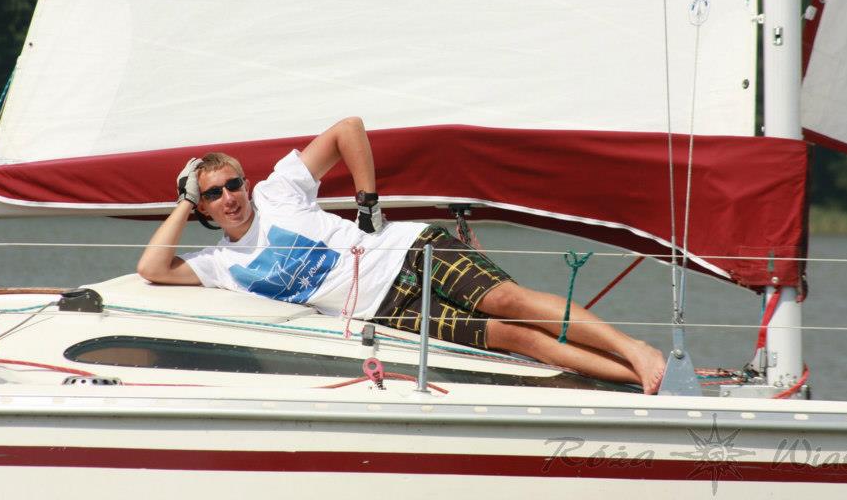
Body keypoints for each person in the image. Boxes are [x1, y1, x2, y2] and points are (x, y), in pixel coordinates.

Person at [137, 117, 665, 393]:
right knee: (515, 338)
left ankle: (635, 349)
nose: (229, 198)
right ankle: (633, 376)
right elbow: (152, 268)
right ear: (204, 207)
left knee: (509, 301)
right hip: (388, 311)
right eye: (213, 194)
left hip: (409, 251)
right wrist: (183, 201)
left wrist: (368, 202)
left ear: (246, 184)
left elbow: (348, 128)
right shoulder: (219, 264)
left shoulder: (278, 192)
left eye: (233, 184)